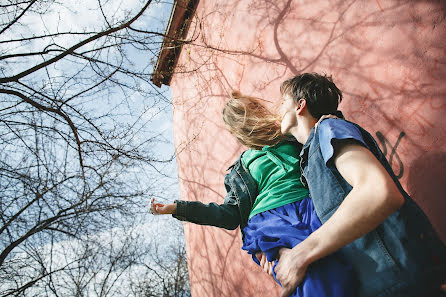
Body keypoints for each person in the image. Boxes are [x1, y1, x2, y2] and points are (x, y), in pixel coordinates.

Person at [258, 72, 446, 297]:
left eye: (282, 103)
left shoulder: (329, 129)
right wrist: (282, 256)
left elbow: (378, 192)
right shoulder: (308, 160)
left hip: (404, 282)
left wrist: (300, 256)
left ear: (300, 106)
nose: (278, 110)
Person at [149, 91, 355, 297]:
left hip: (310, 208)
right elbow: (228, 215)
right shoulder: (242, 166)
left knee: (338, 269)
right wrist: (179, 208)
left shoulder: (292, 135)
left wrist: (330, 119)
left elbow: (322, 138)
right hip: (270, 220)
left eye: (252, 109)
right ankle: (280, 254)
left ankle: (285, 259)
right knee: (315, 281)